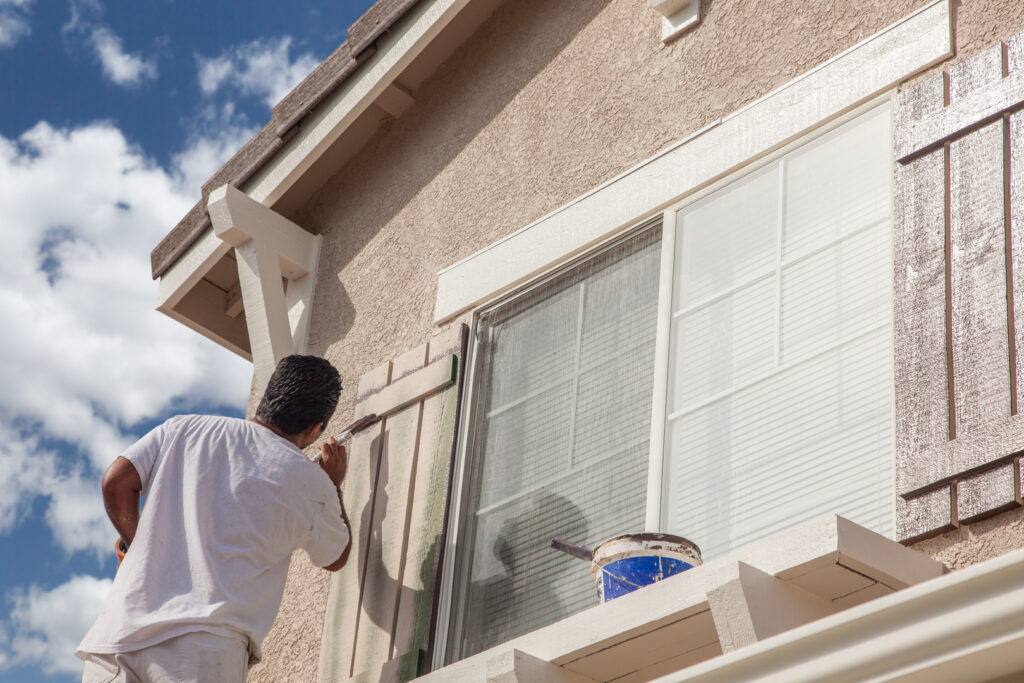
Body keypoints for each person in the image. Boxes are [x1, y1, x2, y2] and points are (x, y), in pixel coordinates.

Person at [76, 355, 353, 683]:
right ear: (314, 429)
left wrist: (141, 549)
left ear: (267, 399)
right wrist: (332, 484)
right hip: (202, 650)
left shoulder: (185, 428)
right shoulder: (308, 480)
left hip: (118, 637)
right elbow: (336, 556)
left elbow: (116, 482)